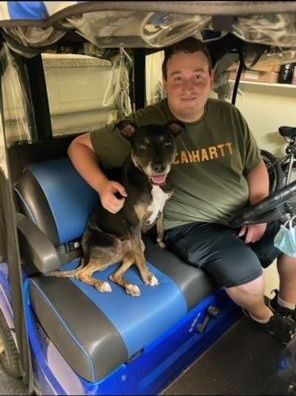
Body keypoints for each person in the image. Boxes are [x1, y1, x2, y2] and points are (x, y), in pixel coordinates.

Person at [68, 37, 296, 345]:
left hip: (244, 215)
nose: (188, 86)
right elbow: (78, 146)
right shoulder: (143, 124)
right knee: (251, 280)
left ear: (211, 78)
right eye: (178, 78)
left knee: (293, 241)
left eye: (198, 76)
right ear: (165, 81)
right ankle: (264, 317)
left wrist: (259, 211)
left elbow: (254, 166)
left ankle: (287, 306)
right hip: (192, 228)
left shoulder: (228, 115)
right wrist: (101, 185)